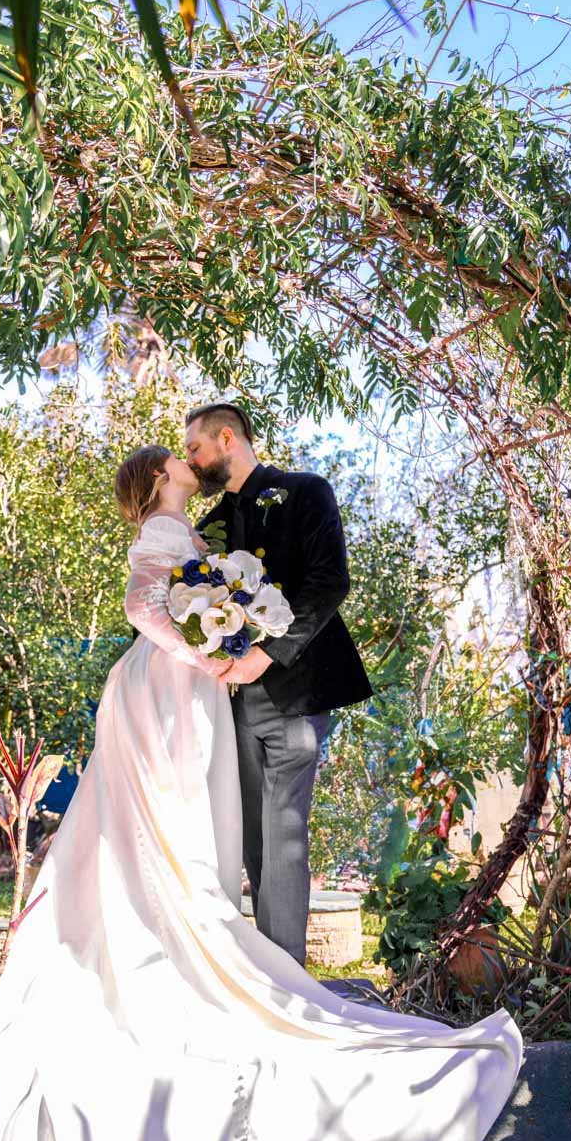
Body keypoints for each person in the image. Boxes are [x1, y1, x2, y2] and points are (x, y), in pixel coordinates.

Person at [0, 440, 523, 1141]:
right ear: (154, 480)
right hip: (161, 689)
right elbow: (146, 609)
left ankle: (174, 923)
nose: (187, 462)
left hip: (189, 690)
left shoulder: (191, 527)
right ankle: (150, 936)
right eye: (174, 460)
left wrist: (226, 638)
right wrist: (210, 650)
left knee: (184, 828)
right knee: (157, 825)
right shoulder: (159, 530)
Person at [185, 401, 371, 966]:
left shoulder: (306, 490)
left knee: (284, 832)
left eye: (195, 448)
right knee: (253, 836)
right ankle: (267, 971)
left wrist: (264, 657)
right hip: (229, 700)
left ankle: (286, 976)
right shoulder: (207, 526)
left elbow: (329, 582)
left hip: (292, 690)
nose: (191, 461)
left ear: (226, 439)